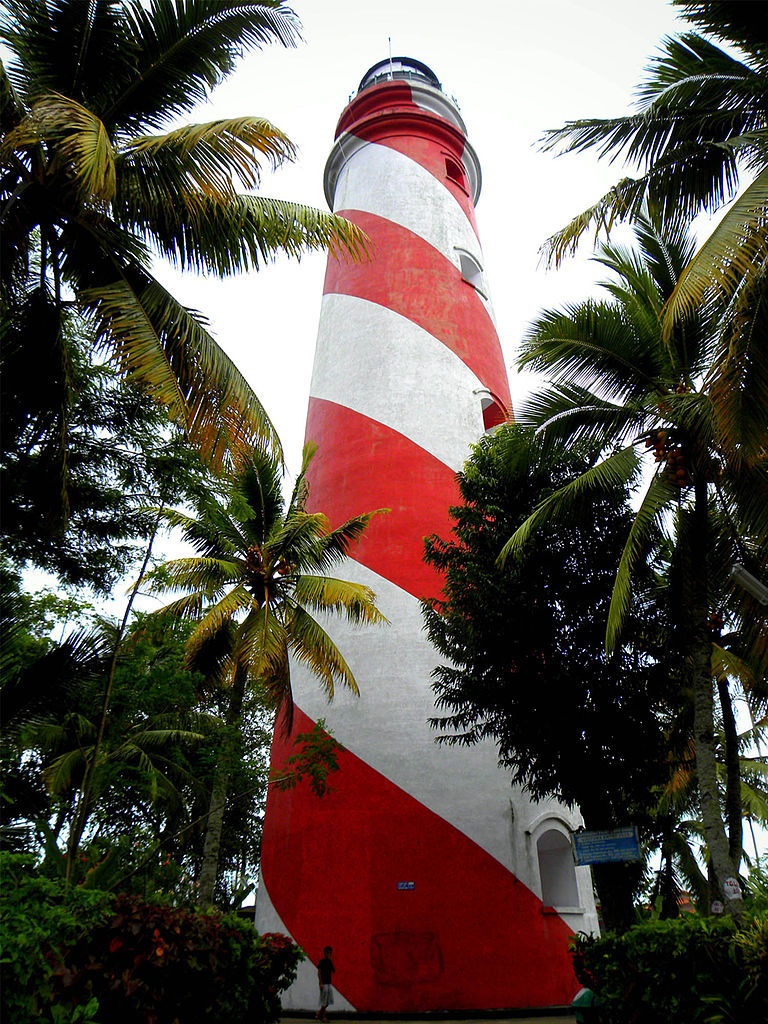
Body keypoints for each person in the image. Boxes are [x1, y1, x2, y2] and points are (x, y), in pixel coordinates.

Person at [316, 945, 335, 1022]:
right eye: (327, 953)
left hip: (329, 983)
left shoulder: (329, 962)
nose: (328, 954)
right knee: (324, 1001)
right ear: (324, 953)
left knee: (328, 1001)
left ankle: (319, 1013)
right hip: (324, 983)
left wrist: (331, 961)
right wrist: (320, 983)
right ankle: (323, 1016)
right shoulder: (322, 961)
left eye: (330, 953)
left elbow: (333, 970)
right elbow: (319, 972)